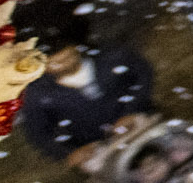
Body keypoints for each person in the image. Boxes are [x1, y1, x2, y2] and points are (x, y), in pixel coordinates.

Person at [19, 40, 153, 165]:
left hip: (140, 122)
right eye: (56, 63)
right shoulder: (38, 94)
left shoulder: (110, 59)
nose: (66, 64)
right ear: (43, 67)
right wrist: (68, 153)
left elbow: (143, 75)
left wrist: (132, 110)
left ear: (76, 50)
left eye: (69, 57)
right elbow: (38, 133)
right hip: (98, 150)